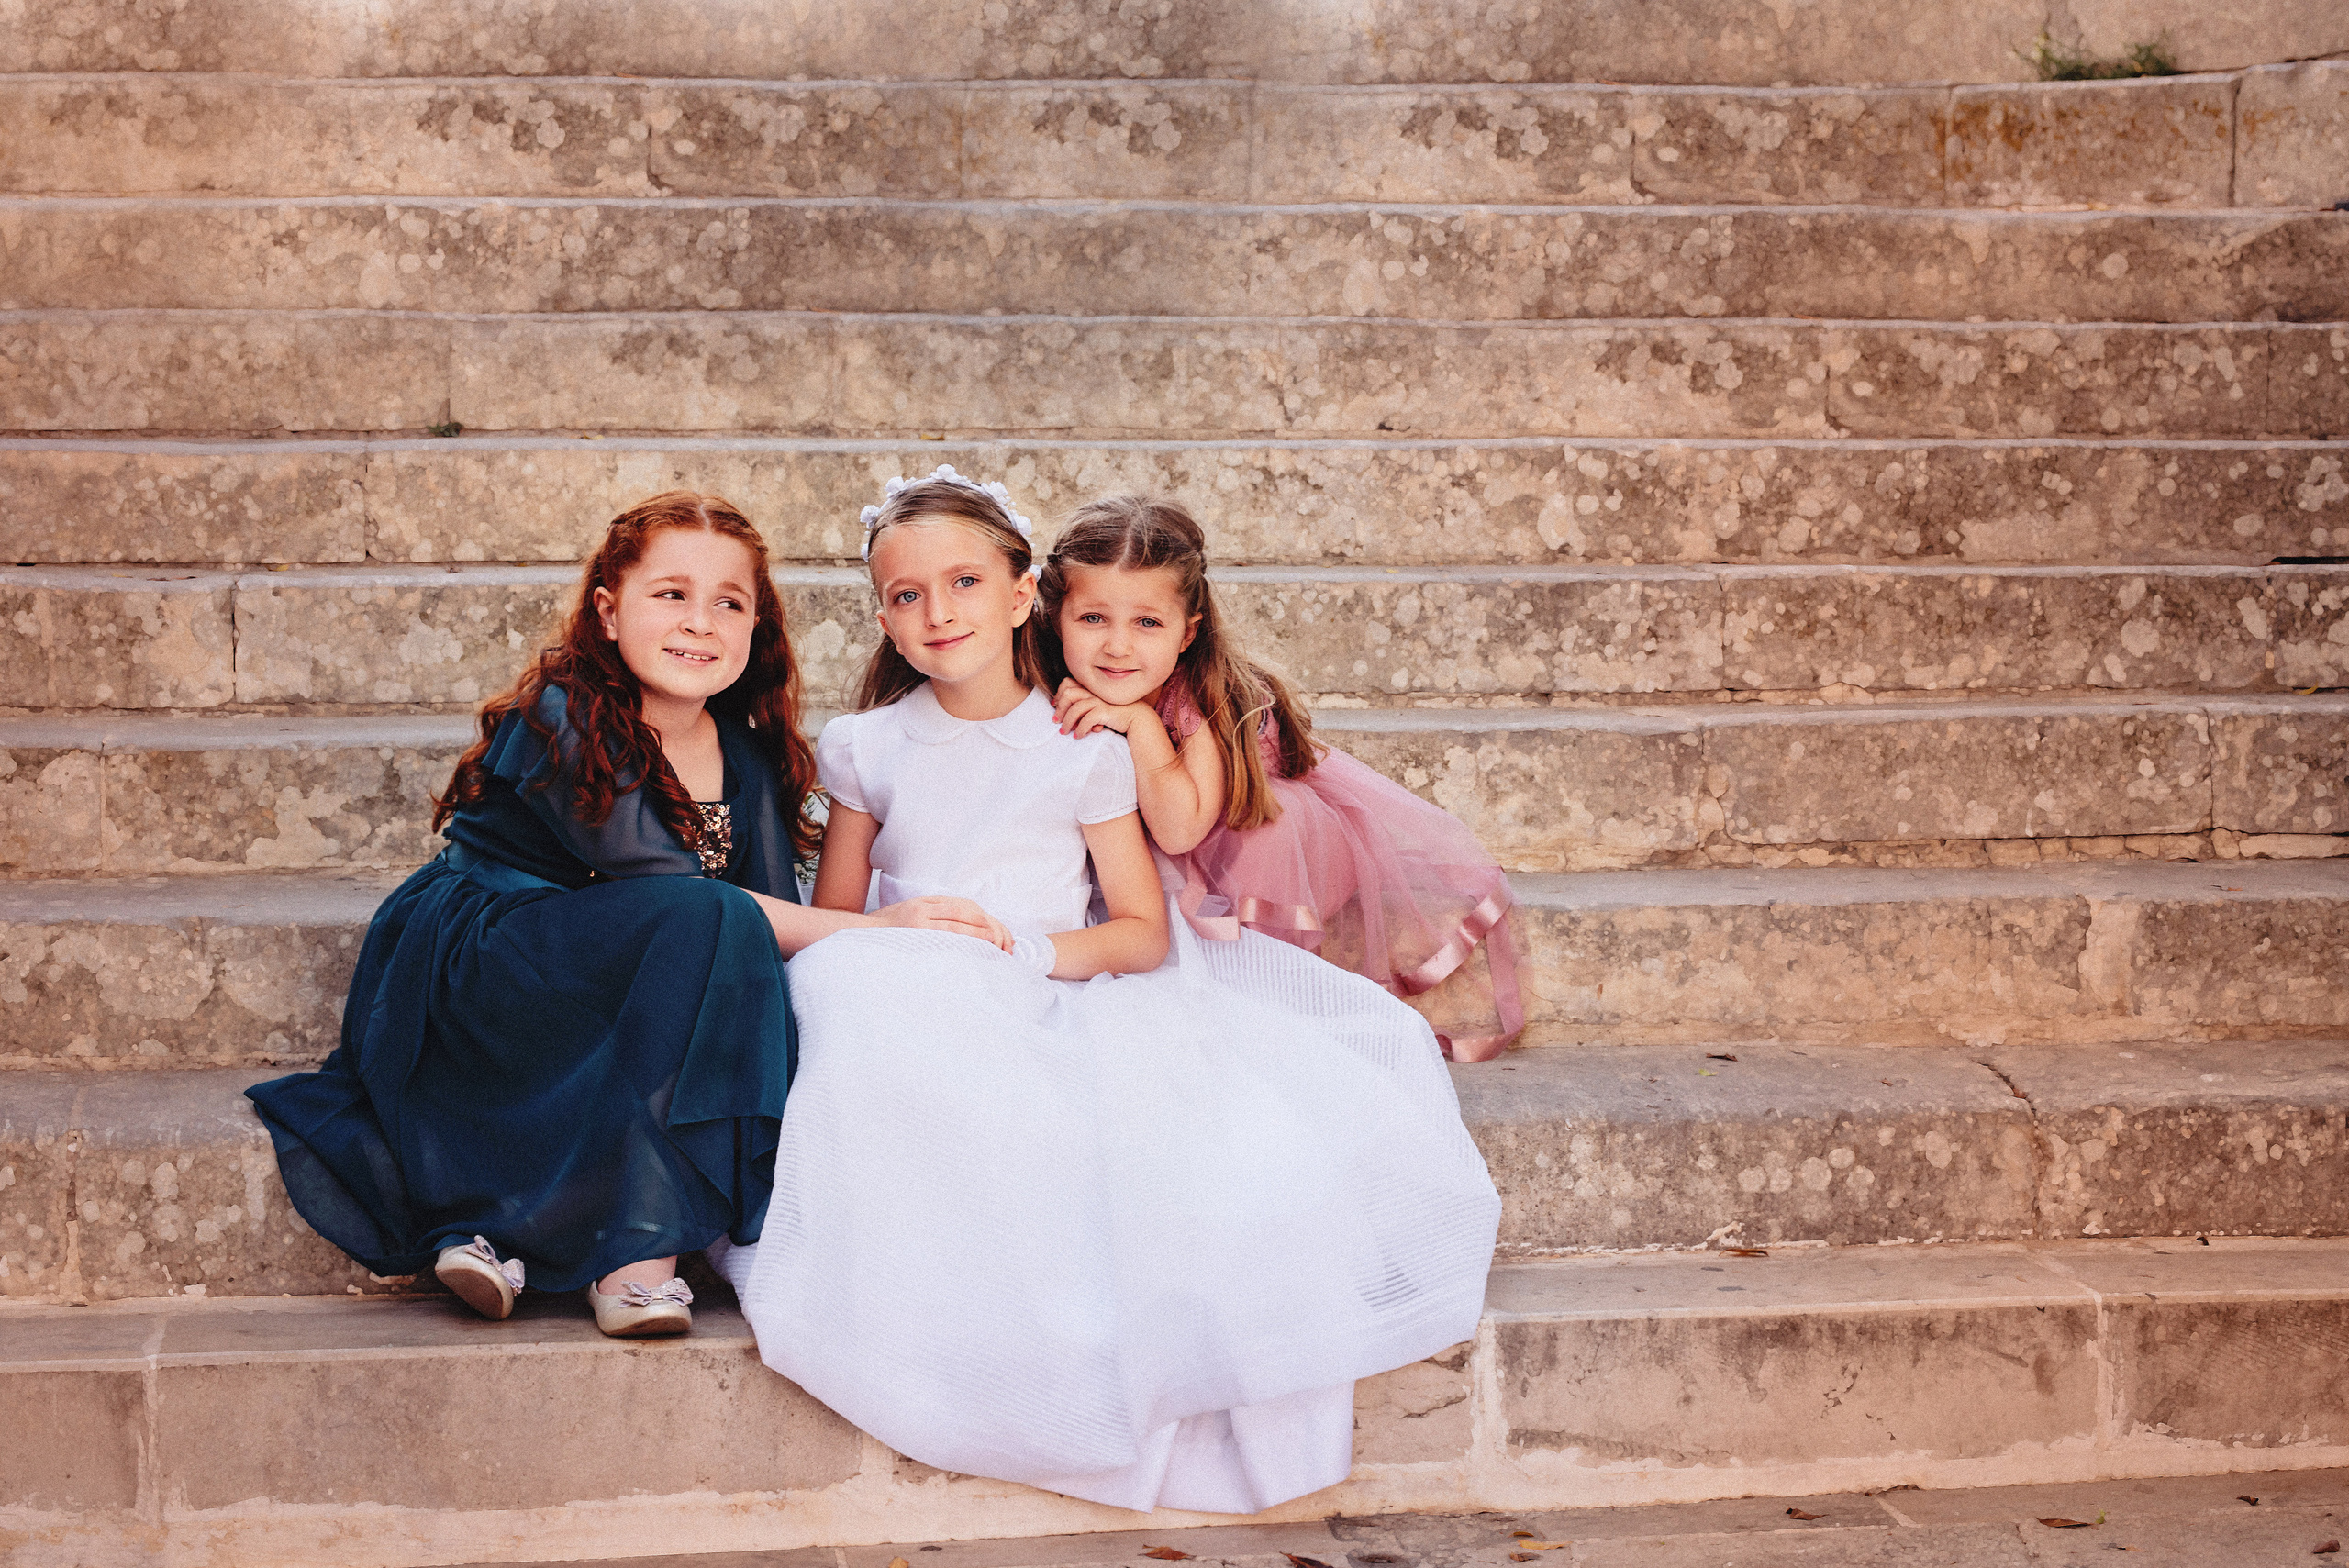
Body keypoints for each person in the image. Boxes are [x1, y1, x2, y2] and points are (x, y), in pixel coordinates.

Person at [718, 466, 1499, 1514]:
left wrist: (1028, 954)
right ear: (882, 615)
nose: (937, 611)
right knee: (857, 1007)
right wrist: (900, 939)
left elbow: (1135, 928)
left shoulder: (1080, 743)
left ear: (1019, 591)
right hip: (897, 967)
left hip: (1046, 973)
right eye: (907, 594)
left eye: (961, 583)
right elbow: (837, 918)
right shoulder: (867, 744)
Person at [247, 491, 1006, 1338]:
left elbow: (764, 923)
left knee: (737, 969)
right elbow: (682, 893)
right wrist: (884, 927)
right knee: (699, 924)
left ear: (757, 628)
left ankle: (581, 1243)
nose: (701, 622)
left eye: (729, 602)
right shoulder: (566, 718)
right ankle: (556, 1235)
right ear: (609, 612)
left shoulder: (747, 755)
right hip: (494, 965)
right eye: (671, 594)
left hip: (631, 981)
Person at [1041, 495, 1524, 1062]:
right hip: (1151, 846)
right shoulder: (1044, 680)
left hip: (1240, 847)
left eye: (1147, 622)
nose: (1117, 645)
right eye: (1093, 618)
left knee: (1258, 851)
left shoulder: (1206, 699)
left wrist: (1142, 724)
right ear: (1055, 616)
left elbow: (1177, 832)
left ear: (1187, 633)